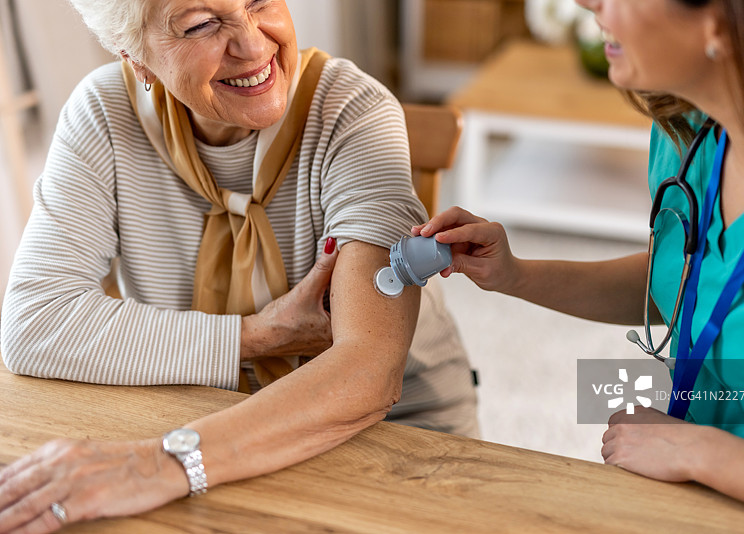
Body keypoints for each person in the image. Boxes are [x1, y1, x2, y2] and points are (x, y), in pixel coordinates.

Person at [0, 0, 478, 529]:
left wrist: (158, 465)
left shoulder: (353, 112)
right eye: (202, 25)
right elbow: (34, 324)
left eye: (260, 2)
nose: (252, 45)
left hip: (392, 439)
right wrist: (256, 336)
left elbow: (368, 370)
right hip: (193, 420)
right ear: (135, 57)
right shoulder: (102, 114)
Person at [413, 0, 744, 525]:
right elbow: (687, 283)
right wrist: (515, 274)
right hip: (691, 493)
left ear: (721, 19)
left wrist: (699, 451)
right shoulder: (685, 134)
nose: (586, 4)